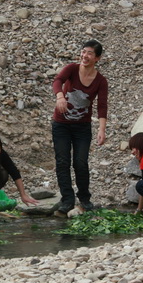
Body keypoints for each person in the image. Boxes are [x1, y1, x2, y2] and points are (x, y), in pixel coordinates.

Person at [51, 39, 108, 217]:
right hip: (61, 124)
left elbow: (102, 106)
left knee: (80, 162)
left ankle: (84, 198)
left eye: (90, 53)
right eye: (84, 51)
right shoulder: (71, 69)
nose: (85, 56)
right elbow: (57, 80)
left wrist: (101, 129)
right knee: (62, 161)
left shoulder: (100, 81)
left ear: (97, 58)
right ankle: (67, 199)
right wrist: (60, 97)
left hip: (82, 127)